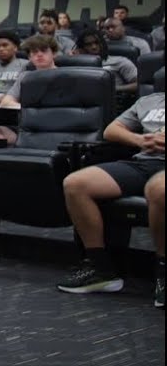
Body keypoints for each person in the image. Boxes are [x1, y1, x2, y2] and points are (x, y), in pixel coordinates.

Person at [58, 89, 163, 307]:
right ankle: (101, 270)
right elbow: (111, 130)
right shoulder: (149, 100)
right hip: (144, 162)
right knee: (76, 184)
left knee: (158, 189)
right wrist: (140, 139)